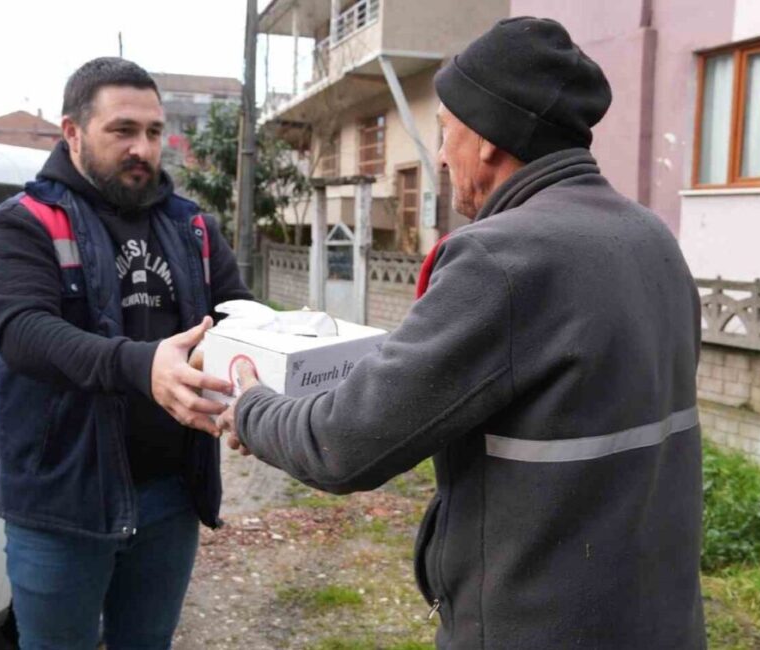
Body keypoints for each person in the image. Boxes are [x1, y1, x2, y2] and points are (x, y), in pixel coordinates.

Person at [219, 17, 706, 649]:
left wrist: (249, 406)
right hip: (657, 622)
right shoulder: (652, 239)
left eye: (446, 131)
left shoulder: (503, 259)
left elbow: (343, 446)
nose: (442, 154)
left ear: (489, 139)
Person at [0, 57, 250, 649]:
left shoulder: (193, 228)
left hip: (169, 497)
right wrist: (140, 364)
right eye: (122, 130)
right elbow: (24, 332)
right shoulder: (23, 224)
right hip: (62, 507)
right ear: (72, 132)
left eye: (153, 133)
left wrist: (283, 359)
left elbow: (237, 319)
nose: (143, 149)